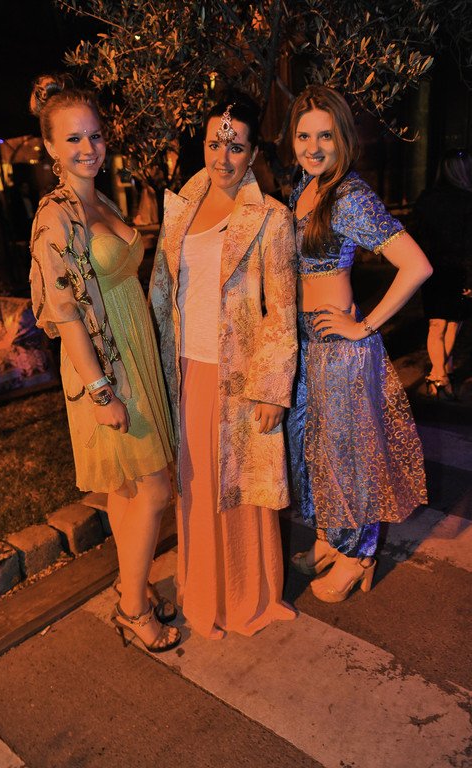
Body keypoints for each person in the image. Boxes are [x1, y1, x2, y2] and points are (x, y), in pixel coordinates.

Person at [29, 74, 180, 653]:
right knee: (155, 487)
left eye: (93, 135)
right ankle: (133, 609)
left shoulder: (101, 198)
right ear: (49, 146)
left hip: (132, 349)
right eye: (72, 139)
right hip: (105, 365)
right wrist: (100, 390)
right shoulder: (55, 216)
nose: (87, 148)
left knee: (131, 488)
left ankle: (129, 584)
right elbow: (64, 312)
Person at [150, 94, 298, 638]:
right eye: (215, 143)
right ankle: (200, 592)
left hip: (240, 375)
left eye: (236, 147)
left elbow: (282, 309)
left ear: (253, 152)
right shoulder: (181, 207)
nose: (223, 156)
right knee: (195, 487)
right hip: (186, 371)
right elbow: (162, 291)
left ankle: (245, 597)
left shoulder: (271, 218)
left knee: (239, 490)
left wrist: (272, 389)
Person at [285, 85, 433, 603]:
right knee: (313, 451)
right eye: (304, 135)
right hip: (305, 344)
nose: (313, 147)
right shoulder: (304, 187)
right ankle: (331, 539)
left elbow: (416, 266)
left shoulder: (351, 196)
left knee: (349, 456)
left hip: (339, 348)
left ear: (344, 137)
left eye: (325, 136)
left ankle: (358, 555)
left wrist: (364, 326)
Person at [411, 149, 472, 399]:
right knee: (450, 325)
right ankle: (440, 374)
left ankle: (439, 376)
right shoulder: (467, 200)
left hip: (434, 268)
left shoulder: (427, 199)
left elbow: (416, 235)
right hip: (458, 270)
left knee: (438, 324)